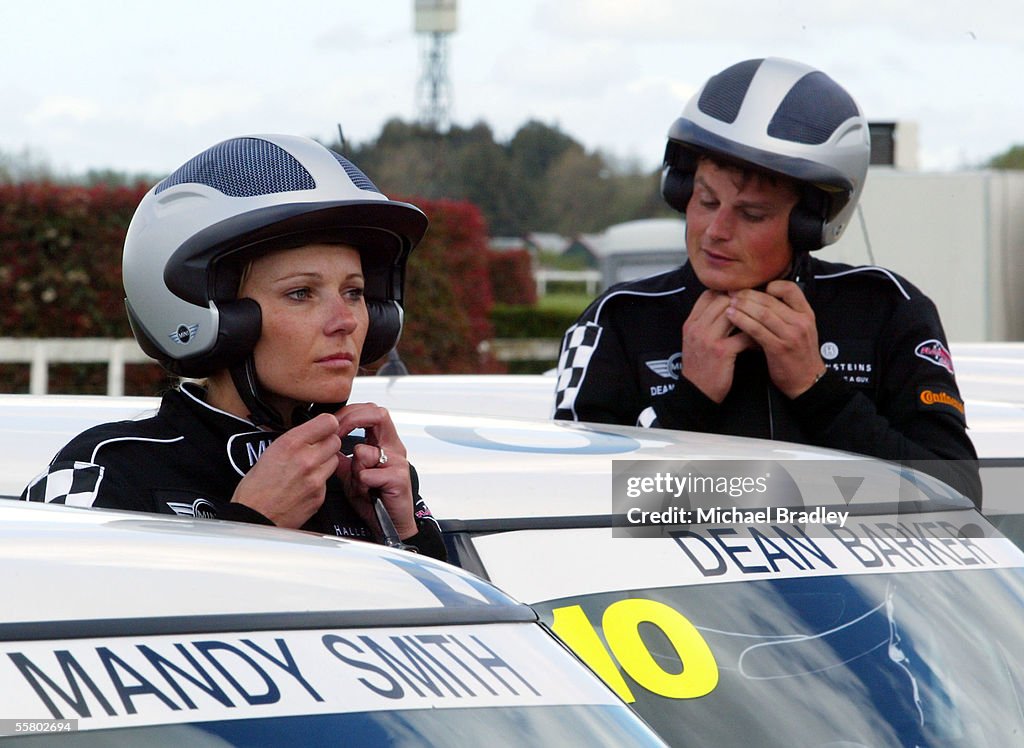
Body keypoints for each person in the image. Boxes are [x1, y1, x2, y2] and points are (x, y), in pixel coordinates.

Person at [553, 57, 981, 504]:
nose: (716, 230)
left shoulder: (887, 308)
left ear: (811, 225)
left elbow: (959, 494)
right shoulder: (616, 320)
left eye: (751, 214)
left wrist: (816, 388)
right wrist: (691, 400)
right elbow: (569, 504)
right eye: (704, 200)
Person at [21, 134, 447, 559]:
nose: (347, 321)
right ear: (210, 313)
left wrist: (406, 533)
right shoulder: (108, 471)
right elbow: (57, 611)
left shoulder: (363, 474)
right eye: (301, 293)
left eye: (354, 292)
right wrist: (252, 522)